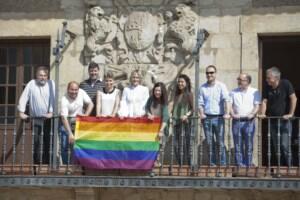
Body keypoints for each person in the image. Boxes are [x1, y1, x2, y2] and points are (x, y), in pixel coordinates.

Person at [259, 66, 297, 166]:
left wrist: (291, 114)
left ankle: (290, 168)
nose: (266, 80)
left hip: (285, 122)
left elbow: (293, 98)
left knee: (285, 145)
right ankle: (280, 167)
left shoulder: (285, 83)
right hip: (273, 121)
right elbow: (264, 101)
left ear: (276, 78)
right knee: (276, 147)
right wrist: (263, 113)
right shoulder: (267, 87)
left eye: (268, 78)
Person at [18, 66, 55, 164]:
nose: (42, 77)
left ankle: (47, 164)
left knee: (48, 141)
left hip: (48, 118)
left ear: (47, 76)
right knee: (37, 142)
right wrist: (22, 112)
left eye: (44, 75)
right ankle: (36, 164)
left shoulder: (51, 83)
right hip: (35, 118)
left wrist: (51, 112)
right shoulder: (31, 84)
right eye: (40, 75)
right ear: (36, 76)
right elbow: (24, 97)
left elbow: (53, 98)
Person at [198, 65, 230, 166]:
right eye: (207, 73)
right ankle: (212, 164)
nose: (209, 75)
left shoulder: (221, 86)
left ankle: (223, 164)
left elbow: (226, 100)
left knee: (220, 142)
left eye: (211, 72)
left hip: (219, 117)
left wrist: (227, 113)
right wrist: (201, 113)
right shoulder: (202, 88)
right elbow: (200, 103)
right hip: (206, 118)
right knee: (209, 143)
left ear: (215, 74)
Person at [230, 73, 261, 167]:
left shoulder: (255, 92)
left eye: (240, 79)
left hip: (249, 121)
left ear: (247, 81)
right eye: (238, 79)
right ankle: (240, 165)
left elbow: (257, 106)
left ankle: (248, 164)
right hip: (237, 121)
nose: (238, 81)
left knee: (249, 144)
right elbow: (229, 105)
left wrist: (252, 114)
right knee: (238, 144)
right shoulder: (233, 92)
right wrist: (232, 114)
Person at [60, 81, 94, 164]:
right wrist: (70, 134)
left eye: (76, 90)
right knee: (65, 146)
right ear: (68, 89)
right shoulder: (64, 99)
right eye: (72, 90)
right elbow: (64, 118)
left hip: (78, 124)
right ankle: (66, 166)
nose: (74, 92)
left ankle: (76, 166)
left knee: (78, 146)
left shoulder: (81, 92)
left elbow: (91, 104)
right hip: (66, 124)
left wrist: (85, 115)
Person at [172, 74, 193, 165]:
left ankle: (188, 165)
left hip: (186, 123)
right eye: (179, 82)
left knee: (186, 144)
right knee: (176, 145)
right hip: (176, 123)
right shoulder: (177, 95)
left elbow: (193, 109)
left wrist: (186, 115)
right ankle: (180, 164)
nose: (180, 83)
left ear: (186, 83)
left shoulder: (189, 94)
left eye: (182, 82)